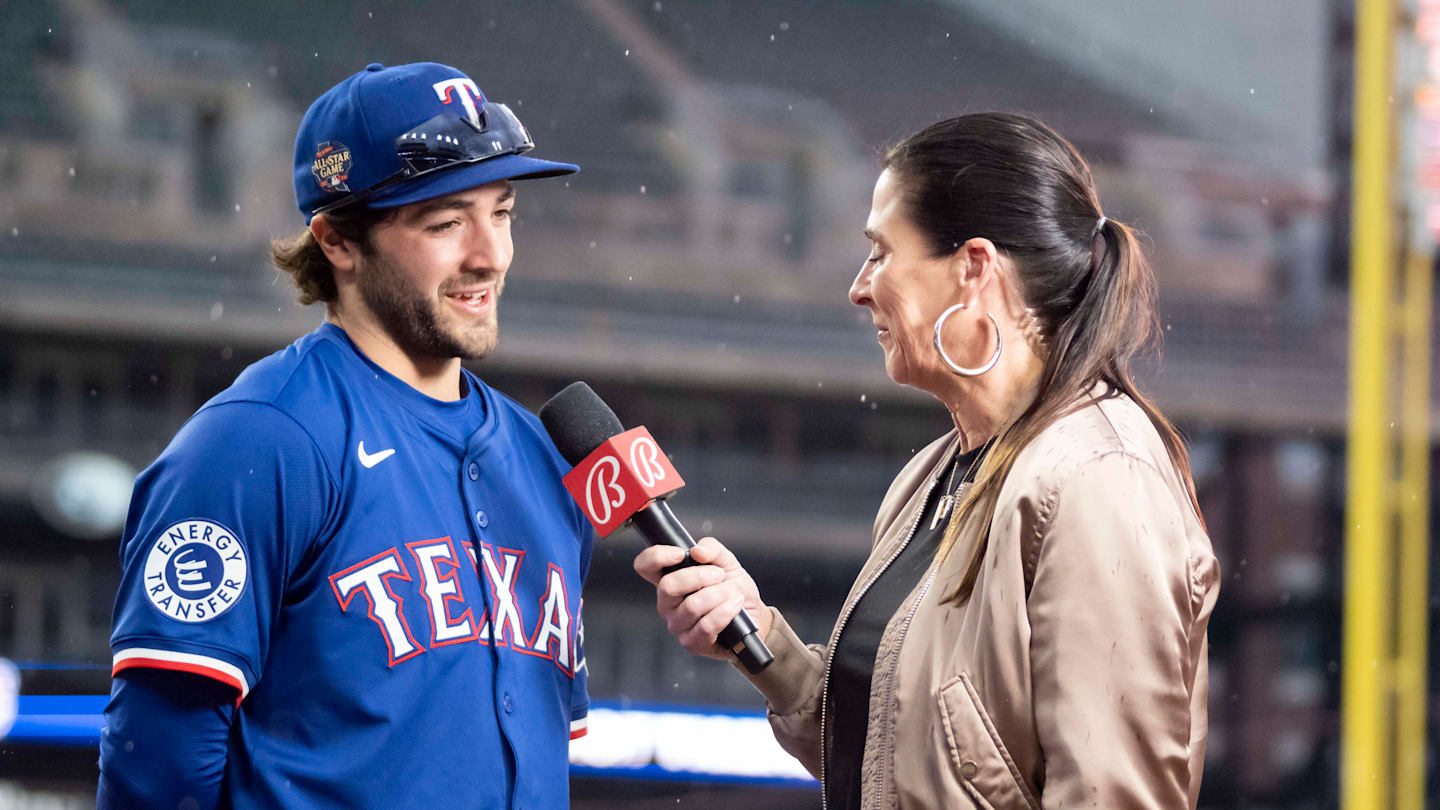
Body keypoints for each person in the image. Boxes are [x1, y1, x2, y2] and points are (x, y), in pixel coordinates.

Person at [635, 113, 1220, 809]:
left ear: (973, 268)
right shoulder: (933, 475)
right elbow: (903, 754)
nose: (858, 288)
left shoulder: (1099, 476)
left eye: (880, 253)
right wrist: (757, 638)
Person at [98, 62, 593, 809]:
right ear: (336, 242)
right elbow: (158, 759)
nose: (489, 254)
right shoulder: (258, 442)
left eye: (503, 210)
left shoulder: (543, 459)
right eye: (447, 222)